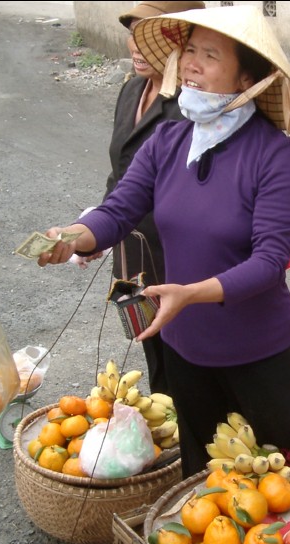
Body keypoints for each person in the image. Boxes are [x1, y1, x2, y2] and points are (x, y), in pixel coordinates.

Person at [38, 4, 290, 477]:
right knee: (202, 484)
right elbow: (119, 210)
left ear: (247, 76)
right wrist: (74, 236)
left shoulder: (275, 156)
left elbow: (270, 261)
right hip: (185, 349)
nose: (191, 63)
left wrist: (189, 293)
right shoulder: (167, 140)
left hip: (257, 356)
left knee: (282, 491)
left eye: (210, 55)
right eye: (189, 50)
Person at [86, 0, 204, 396]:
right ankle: (169, 420)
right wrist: (94, 230)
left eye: (148, 34)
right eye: (132, 33)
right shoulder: (131, 89)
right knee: (148, 339)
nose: (136, 46)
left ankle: (192, 431)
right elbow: (120, 168)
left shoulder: (193, 105)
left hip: (175, 254)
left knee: (183, 350)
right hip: (130, 247)